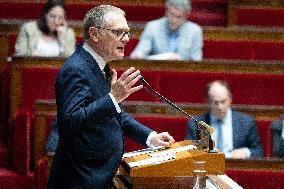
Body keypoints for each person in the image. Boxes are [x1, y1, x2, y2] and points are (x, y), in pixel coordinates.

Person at [47, 5, 175, 189]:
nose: (126, 39)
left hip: (99, 176)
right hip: (80, 180)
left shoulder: (100, 65)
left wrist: (150, 137)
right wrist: (113, 97)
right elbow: (70, 122)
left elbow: (114, 114)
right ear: (95, 34)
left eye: (127, 33)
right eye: (118, 33)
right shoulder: (76, 69)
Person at [186, 80, 263, 159]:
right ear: (207, 102)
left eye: (223, 102)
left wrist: (245, 152)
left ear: (230, 99)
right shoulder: (195, 124)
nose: (220, 107)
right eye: (215, 103)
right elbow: (188, 151)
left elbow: (258, 151)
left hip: (235, 167)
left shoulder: (246, 122)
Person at [130, 0, 203, 61]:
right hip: (157, 71)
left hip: (183, 75)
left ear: (185, 17)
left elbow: (196, 61)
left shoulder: (195, 31)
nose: (174, 20)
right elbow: (142, 50)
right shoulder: (152, 27)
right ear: (166, 11)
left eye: (179, 17)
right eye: (172, 14)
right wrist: (138, 54)